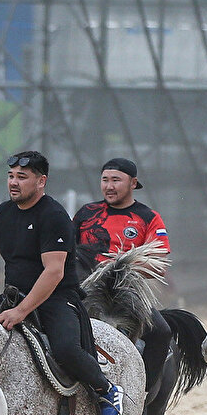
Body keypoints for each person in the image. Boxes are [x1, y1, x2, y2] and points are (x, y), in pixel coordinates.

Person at [0, 150, 124, 415]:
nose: (13, 182)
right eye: (10, 176)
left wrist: (21, 311)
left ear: (41, 181)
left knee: (65, 349)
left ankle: (106, 390)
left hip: (56, 297)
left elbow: (53, 272)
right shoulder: (2, 213)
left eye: (22, 177)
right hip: (13, 296)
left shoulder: (53, 215)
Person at [73, 156, 172, 391]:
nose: (109, 186)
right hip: (85, 292)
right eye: (105, 180)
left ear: (133, 183)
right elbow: (65, 252)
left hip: (126, 295)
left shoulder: (148, 217)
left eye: (116, 180)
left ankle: (143, 393)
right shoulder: (86, 213)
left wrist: (120, 268)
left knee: (162, 332)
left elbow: (159, 263)